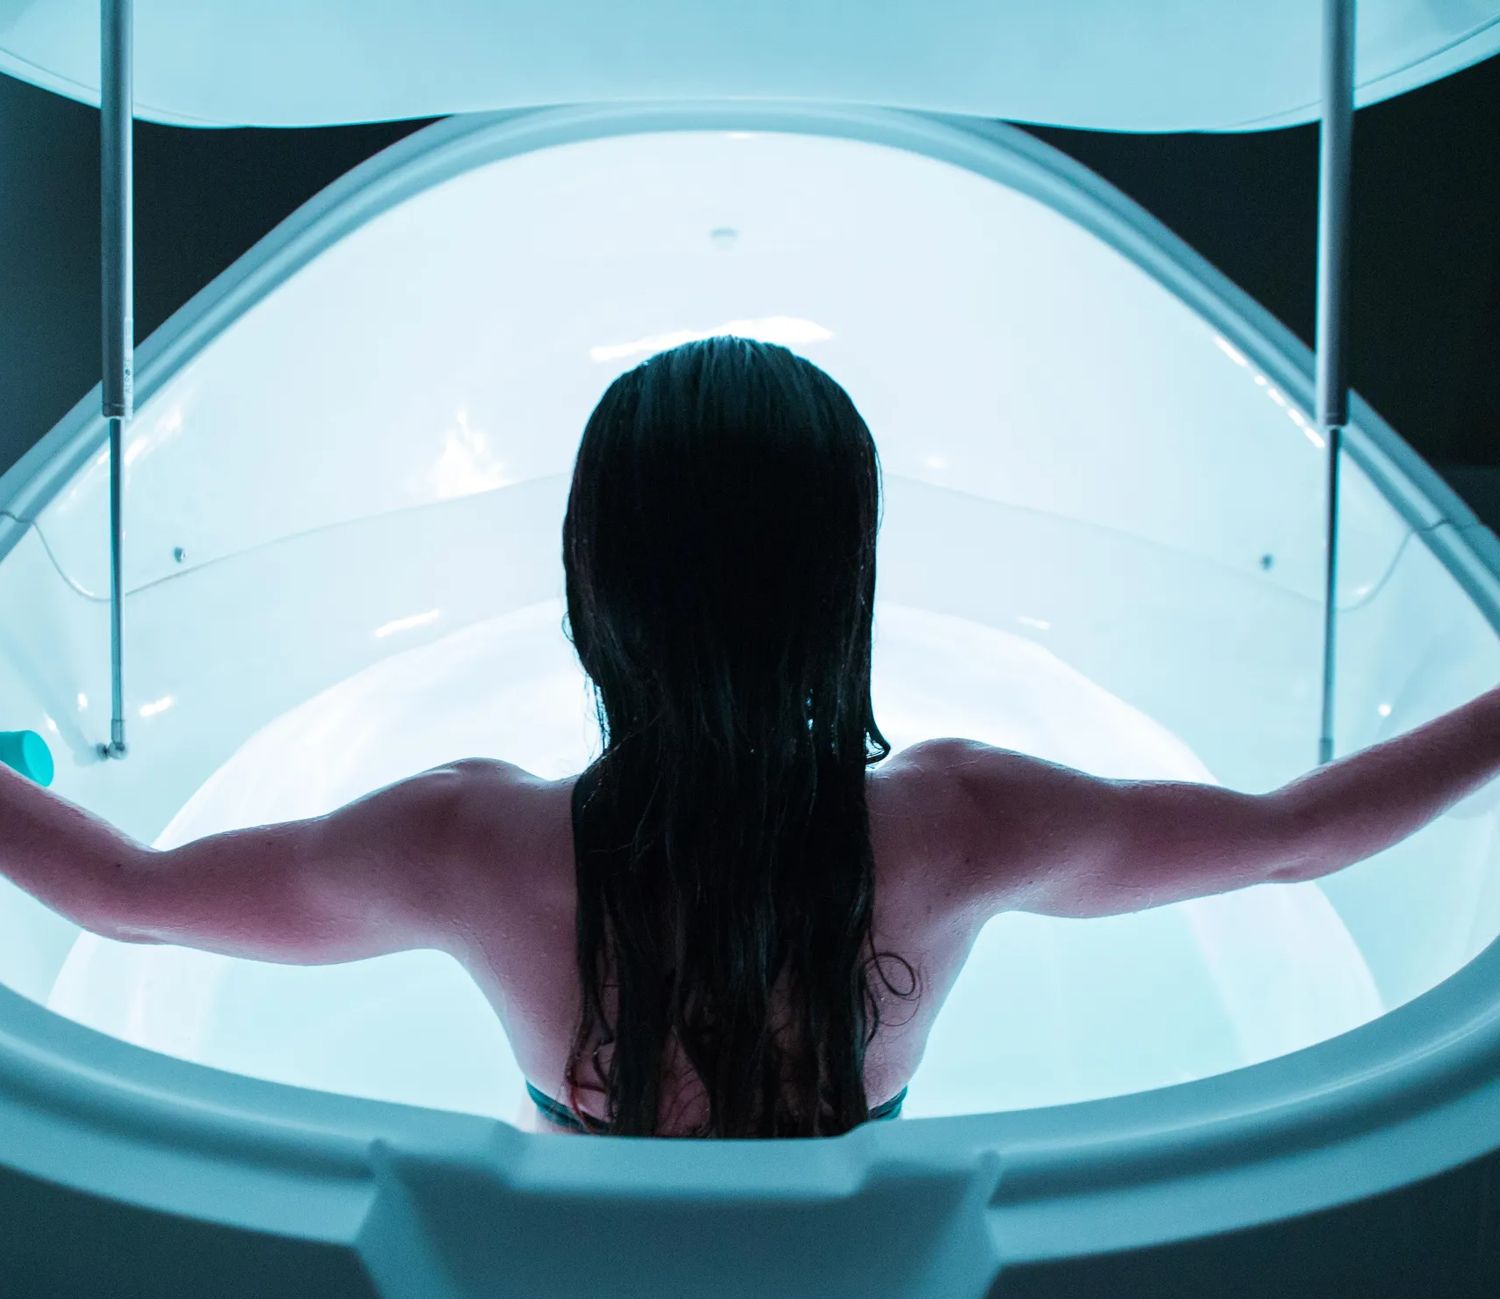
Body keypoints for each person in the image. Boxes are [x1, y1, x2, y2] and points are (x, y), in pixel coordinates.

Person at [2, 335, 1499, 1138]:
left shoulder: (469, 845)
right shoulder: (958, 826)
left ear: (592, 584)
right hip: (856, 1242)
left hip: (575, 1284)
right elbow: (1298, 838)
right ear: (841, 591)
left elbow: (129, 900)